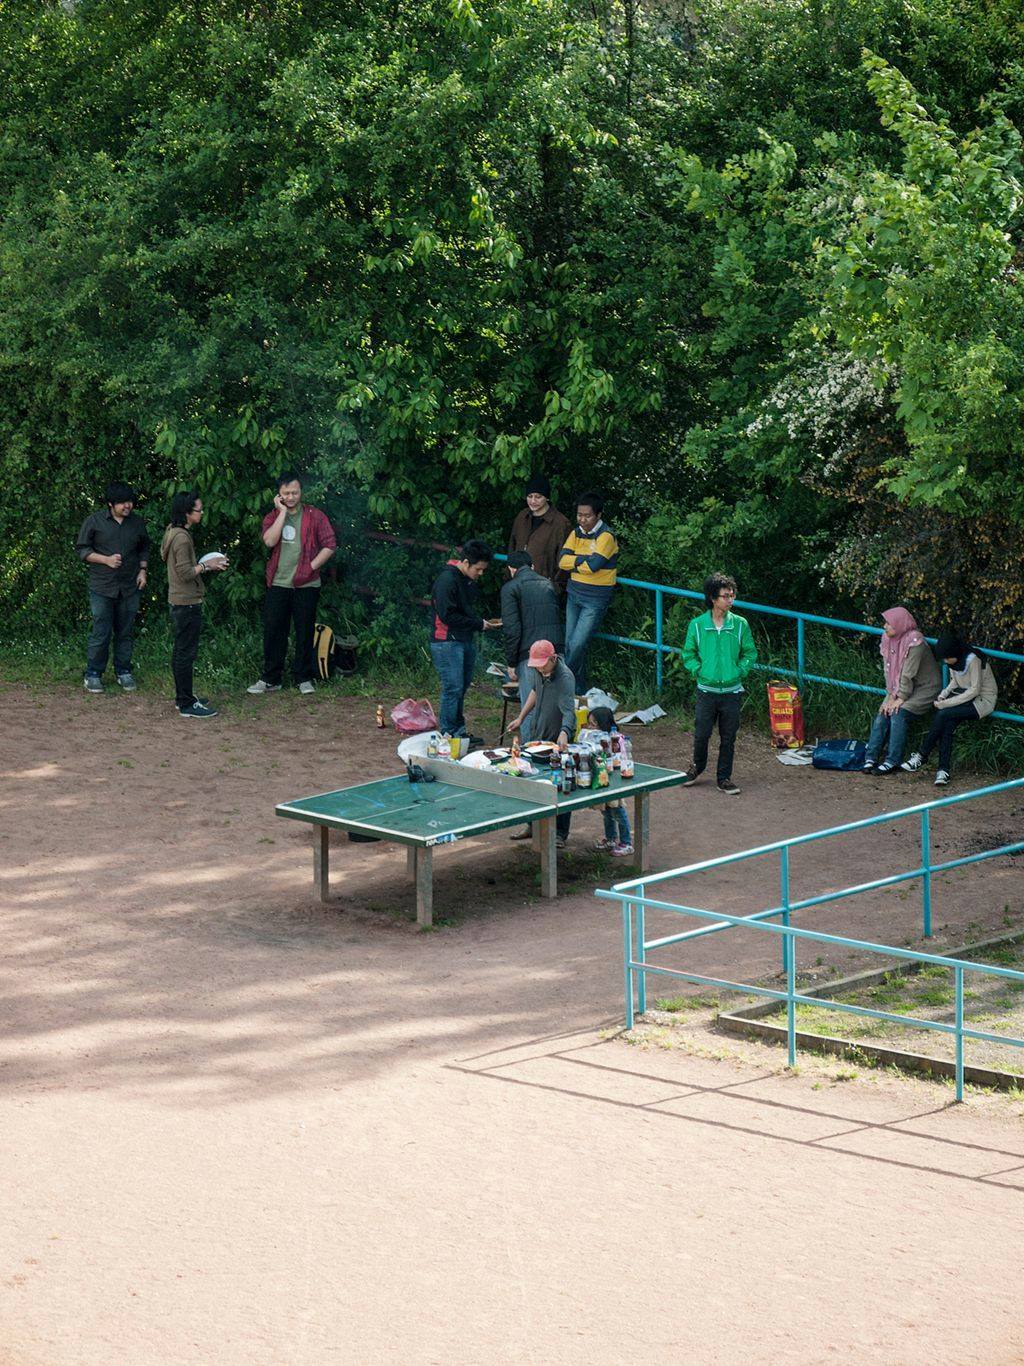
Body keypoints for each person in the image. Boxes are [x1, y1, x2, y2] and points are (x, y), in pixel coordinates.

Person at [247, 474, 337, 696]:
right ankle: (271, 678)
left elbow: (330, 544)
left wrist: (311, 567)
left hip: (307, 584)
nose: (291, 497)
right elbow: (269, 541)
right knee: (274, 630)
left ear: (301, 492)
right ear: (279, 494)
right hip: (279, 582)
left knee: (304, 631)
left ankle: (303, 678)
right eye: (286, 493)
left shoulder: (315, 516)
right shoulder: (272, 517)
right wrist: (282, 513)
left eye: (295, 492)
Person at [680, 572, 758, 795]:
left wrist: (739, 672)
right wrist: (699, 670)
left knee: (728, 737)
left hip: (732, 692)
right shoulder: (697, 625)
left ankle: (724, 777)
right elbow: (688, 653)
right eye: (726, 596)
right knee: (702, 733)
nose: (730, 600)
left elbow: (750, 653)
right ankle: (697, 767)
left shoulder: (741, 624)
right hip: (706, 690)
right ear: (713, 598)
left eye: (732, 595)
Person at [75, 482, 150, 693]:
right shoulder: (94, 521)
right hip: (102, 587)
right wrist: (105, 560)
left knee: (125, 631)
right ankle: (93, 674)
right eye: (122, 503)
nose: (127, 506)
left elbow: (144, 547)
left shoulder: (136, 523)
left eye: (130, 501)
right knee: (101, 632)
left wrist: (143, 570)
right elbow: (82, 550)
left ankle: (123, 671)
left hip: (129, 586)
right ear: (110, 504)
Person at [160, 491, 228, 718]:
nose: (202, 513)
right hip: (186, 601)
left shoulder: (173, 531)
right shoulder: (181, 537)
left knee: (182, 651)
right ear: (187, 513)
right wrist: (207, 565)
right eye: (199, 510)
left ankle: (183, 698)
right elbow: (185, 572)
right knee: (185, 654)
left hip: (180, 600)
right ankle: (187, 704)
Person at [901, 634, 998, 785]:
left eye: (947, 658)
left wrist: (947, 703)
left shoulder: (973, 660)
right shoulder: (954, 661)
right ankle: (942, 771)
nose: (945, 662)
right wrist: (943, 694)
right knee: (947, 723)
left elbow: (975, 690)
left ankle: (922, 755)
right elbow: (955, 681)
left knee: (943, 714)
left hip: (982, 701)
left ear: (955, 653)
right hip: (965, 697)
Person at [507, 640, 576, 848]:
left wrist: (564, 733)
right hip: (538, 735)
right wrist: (521, 717)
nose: (539, 668)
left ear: (553, 659)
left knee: (561, 785)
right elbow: (535, 692)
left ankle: (560, 834)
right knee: (532, 780)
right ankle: (532, 825)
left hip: (557, 739)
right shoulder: (538, 671)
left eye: (542, 664)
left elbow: (569, 711)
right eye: (536, 664)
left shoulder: (565, 678)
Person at [430, 539, 501, 741]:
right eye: (479, 569)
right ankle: (447, 734)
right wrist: (479, 624)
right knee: (452, 687)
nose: (481, 573)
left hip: (462, 638)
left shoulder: (465, 579)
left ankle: (458, 732)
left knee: (461, 686)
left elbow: (464, 611)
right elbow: (447, 616)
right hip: (446, 641)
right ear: (467, 562)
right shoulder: (447, 580)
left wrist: (479, 623)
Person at [862, 607, 941, 774]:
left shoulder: (915, 641)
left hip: (925, 688)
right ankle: (870, 758)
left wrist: (900, 698)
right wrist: (891, 695)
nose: (884, 626)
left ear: (899, 624)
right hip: (898, 687)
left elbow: (907, 673)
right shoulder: (887, 638)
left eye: (888, 623)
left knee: (898, 713)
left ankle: (892, 761)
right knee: (884, 711)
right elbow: (887, 670)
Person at [558, 492, 619, 695]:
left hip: (595, 598)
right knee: (570, 644)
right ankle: (577, 690)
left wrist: (575, 561)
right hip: (574, 593)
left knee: (577, 644)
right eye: (579, 515)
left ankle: (559, 683)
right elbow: (561, 561)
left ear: (598, 515)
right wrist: (582, 560)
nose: (582, 520)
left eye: (587, 516)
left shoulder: (606, 537)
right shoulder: (576, 533)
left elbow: (594, 565)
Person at [500, 549, 564, 741]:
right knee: (555, 703)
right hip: (556, 650)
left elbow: (512, 630)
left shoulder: (511, 588)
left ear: (511, 569)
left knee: (529, 705)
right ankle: (554, 750)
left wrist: (511, 663)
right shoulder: (548, 584)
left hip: (531, 654)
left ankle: (530, 752)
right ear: (532, 566)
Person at [507, 474, 572, 591]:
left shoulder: (561, 523)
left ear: (546, 497)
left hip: (544, 587)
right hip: (517, 582)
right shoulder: (522, 516)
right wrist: (509, 575)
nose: (533, 501)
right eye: (530, 496)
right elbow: (512, 546)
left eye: (538, 497)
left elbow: (564, 561)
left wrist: (556, 588)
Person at [587, 705, 633, 857]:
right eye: (589, 724)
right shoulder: (594, 737)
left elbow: (617, 759)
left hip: (614, 779)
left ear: (603, 723)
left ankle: (626, 843)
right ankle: (611, 838)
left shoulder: (615, 739)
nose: (590, 727)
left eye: (594, 724)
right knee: (606, 810)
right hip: (602, 777)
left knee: (618, 810)